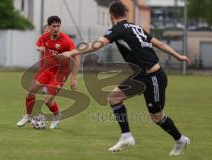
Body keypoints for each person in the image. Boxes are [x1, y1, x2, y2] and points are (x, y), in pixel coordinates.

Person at [59, 2, 190, 156]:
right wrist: (178, 56)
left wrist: (72, 52)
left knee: (156, 117)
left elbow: (96, 45)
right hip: (140, 76)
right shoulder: (136, 27)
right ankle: (126, 136)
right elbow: (159, 43)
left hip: (153, 77)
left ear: (111, 16)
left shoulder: (118, 29)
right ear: (125, 14)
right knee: (114, 98)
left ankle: (180, 139)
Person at [17, 16, 80, 129]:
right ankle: (27, 116)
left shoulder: (66, 41)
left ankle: (57, 115)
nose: (56, 28)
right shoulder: (45, 37)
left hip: (61, 73)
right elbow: (40, 47)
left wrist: (74, 78)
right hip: (48, 69)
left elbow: (77, 56)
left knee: (47, 100)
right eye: (54, 26)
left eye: (58, 26)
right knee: (30, 92)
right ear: (49, 27)